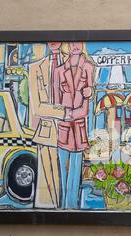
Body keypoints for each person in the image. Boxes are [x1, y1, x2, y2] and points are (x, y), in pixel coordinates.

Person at [52, 42, 95, 209]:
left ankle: (72, 205)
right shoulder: (58, 71)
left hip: (78, 126)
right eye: (71, 43)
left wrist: (89, 93)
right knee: (62, 167)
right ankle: (63, 205)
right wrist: (64, 114)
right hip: (63, 123)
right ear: (67, 46)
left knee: (76, 167)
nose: (74, 46)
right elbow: (56, 100)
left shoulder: (89, 67)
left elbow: (87, 102)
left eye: (78, 43)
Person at [28, 42, 65, 208]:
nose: (54, 42)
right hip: (46, 131)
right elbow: (37, 106)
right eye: (50, 40)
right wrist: (65, 112)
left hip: (70, 131)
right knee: (47, 181)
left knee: (66, 177)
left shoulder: (74, 63)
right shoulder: (35, 67)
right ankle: (49, 210)